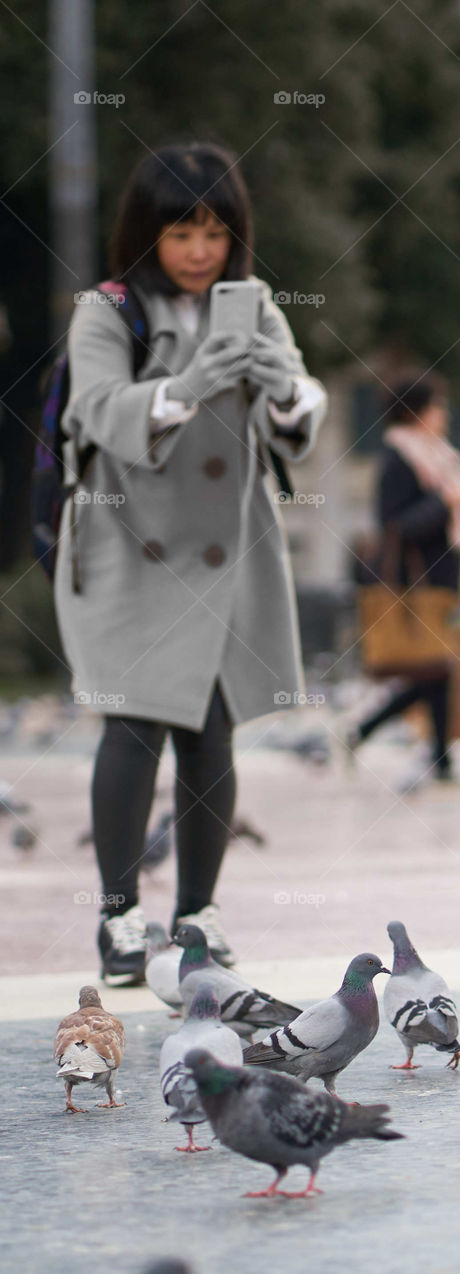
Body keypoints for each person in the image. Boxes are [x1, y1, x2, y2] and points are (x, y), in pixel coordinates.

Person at [55, 141, 327, 982]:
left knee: (212, 735)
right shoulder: (108, 310)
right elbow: (98, 411)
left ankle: (198, 914)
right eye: (180, 234)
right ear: (147, 234)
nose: (200, 251)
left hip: (227, 547)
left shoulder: (253, 303)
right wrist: (189, 383)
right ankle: (119, 918)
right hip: (128, 545)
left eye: (214, 232)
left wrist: (285, 386)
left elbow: (298, 414)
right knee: (134, 723)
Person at [349, 372, 460, 788]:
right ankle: (432, 756)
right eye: (437, 406)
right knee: (435, 668)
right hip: (418, 587)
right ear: (418, 412)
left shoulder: (437, 457)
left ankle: (369, 733)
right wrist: (444, 505)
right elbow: (393, 525)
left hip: (445, 582)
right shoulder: (399, 459)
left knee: (438, 668)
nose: (443, 414)